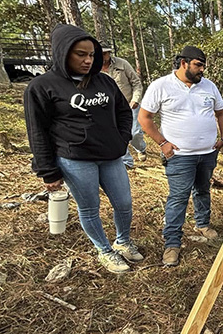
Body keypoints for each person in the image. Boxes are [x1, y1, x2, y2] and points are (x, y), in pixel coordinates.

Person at [23, 24, 141, 274]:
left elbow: (123, 111)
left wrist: (121, 140)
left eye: (91, 55)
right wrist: (48, 171)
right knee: (89, 208)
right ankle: (105, 250)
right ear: (62, 52)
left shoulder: (104, 82)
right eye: (80, 54)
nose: (88, 60)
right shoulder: (43, 87)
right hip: (75, 159)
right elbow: (37, 131)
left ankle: (123, 242)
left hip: (111, 155)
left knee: (124, 203)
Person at [139, 46, 223, 267]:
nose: (202, 70)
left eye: (203, 65)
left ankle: (203, 224)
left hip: (207, 153)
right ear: (183, 63)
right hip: (180, 156)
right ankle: (172, 243)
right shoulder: (161, 86)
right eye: (198, 65)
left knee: (203, 189)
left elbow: (221, 112)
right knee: (178, 198)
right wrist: (162, 143)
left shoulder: (209, 87)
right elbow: (144, 117)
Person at [100, 44, 146, 169]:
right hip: (109, 108)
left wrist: (136, 99)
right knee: (117, 134)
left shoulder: (122, 64)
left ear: (109, 53)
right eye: (100, 53)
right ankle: (126, 161)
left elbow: (136, 83)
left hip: (130, 104)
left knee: (135, 132)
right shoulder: (94, 69)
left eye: (105, 53)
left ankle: (141, 148)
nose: (103, 56)